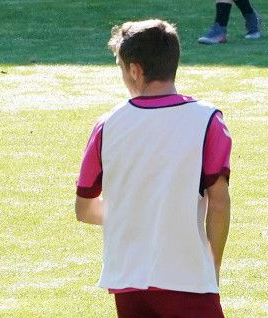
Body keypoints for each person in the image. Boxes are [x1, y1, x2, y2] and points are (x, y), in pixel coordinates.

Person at [75, 19, 232, 316]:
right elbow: (219, 202)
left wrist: (136, 215)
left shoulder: (107, 125)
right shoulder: (208, 120)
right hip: (187, 278)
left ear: (135, 70)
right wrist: (213, 265)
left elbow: (84, 209)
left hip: (127, 280)